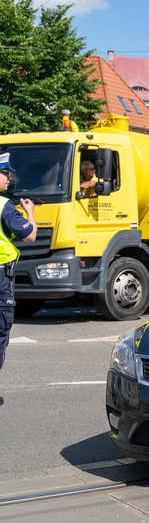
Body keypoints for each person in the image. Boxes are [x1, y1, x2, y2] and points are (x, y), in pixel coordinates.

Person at [0, 153, 38, 406]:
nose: (9, 178)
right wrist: (30, 212)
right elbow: (30, 236)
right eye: (5, 173)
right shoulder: (4, 206)